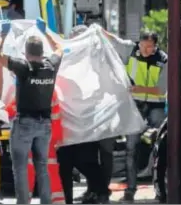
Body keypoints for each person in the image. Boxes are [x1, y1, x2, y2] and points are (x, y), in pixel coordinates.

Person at [0, 18, 64, 204]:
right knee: (42, 166)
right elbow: (59, 49)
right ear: (41, 52)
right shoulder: (50, 66)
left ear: (25, 53)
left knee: (21, 168)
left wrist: (3, 34)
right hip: (44, 125)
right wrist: (46, 31)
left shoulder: (23, 67)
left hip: (24, 124)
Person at [105, 30, 167, 203]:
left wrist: (139, 89)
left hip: (156, 107)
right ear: (138, 43)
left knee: (162, 146)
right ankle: (130, 190)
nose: (146, 50)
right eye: (144, 46)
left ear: (156, 45)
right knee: (131, 148)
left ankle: (161, 187)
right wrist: (98, 30)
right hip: (135, 106)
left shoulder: (163, 60)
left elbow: (161, 89)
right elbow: (114, 40)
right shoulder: (130, 50)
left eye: (150, 47)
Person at [53, 25, 110, 204]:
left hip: (85, 120)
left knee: (86, 161)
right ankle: (67, 199)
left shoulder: (93, 61)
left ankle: (100, 191)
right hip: (65, 119)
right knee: (64, 164)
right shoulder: (65, 57)